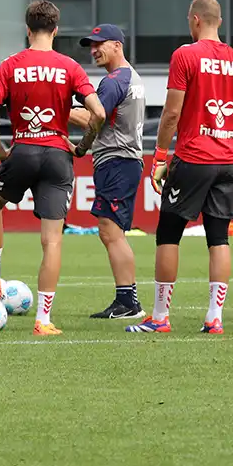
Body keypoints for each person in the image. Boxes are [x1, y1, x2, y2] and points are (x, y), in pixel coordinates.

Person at [0, 0, 105, 336]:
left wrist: (1, 151)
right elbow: (100, 115)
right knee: (52, 242)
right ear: (56, 30)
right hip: (58, 153)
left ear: (27, 29)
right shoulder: (70, 67)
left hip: (24, 148)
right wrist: (82, 146)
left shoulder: (12, 65)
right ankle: (43, 320)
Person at [126, 0, 233, 335]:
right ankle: (214, 318)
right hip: (229, 159)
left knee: (168, 234)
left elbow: (171, 113)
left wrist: (161, 157)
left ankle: (159, 317)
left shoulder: (185, 55)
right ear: (219, 22)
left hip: (195, 156)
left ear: (195, 20)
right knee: (219, 238)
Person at [67, 24, 147, 320]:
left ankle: (128, 302)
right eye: (91, 45)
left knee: (111, 231)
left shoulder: (114, 80)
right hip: (124, 160)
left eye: (99, 44)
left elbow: (94, 117)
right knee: (113, 231)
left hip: (117, 161)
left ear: (117, 45)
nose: (93, 50)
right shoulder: (130, 76)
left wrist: (54, 109)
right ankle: (128, 300)